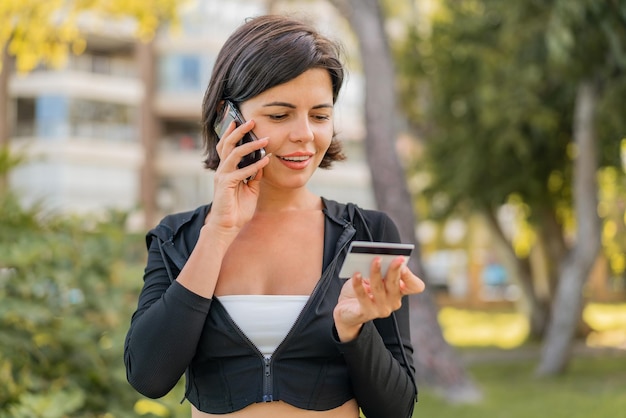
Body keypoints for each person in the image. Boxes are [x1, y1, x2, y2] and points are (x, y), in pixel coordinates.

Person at [124, 14, 426, 418]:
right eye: (280, 115)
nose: (305, 134)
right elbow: (148, 375)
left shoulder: (367, 233)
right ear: (227, 118)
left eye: (319, 115)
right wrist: (218, 232)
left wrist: (354, 330)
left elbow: (397, 409)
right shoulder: (176, 238)